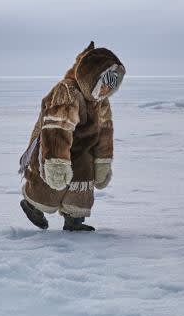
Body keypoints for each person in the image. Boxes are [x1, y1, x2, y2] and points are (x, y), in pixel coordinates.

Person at [18, 42, 125, 231]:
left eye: (113, 84)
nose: (107, 88)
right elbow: (57, 128)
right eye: (106, 80)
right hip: (56, 146)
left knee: (84, 177)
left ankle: (74, 219)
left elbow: (105, 131)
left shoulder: (101, 102)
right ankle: (33, 205)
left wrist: (103, 161)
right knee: (51, 182)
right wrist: (56, 161)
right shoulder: (68, 91)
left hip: (82, 149)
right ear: (92, 76)